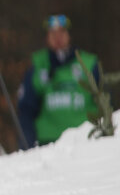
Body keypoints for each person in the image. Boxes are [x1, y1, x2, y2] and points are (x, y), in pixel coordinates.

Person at [16, 14, 102, 149]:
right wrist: (27, 143)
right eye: (53, 33)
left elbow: (105, 101)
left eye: (62, 32)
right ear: (47, 37)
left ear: (69, 35)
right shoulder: (39, 65)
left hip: (85, 139)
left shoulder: (88, 63)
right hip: (48, 142)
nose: (58, 38)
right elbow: (26, 108)